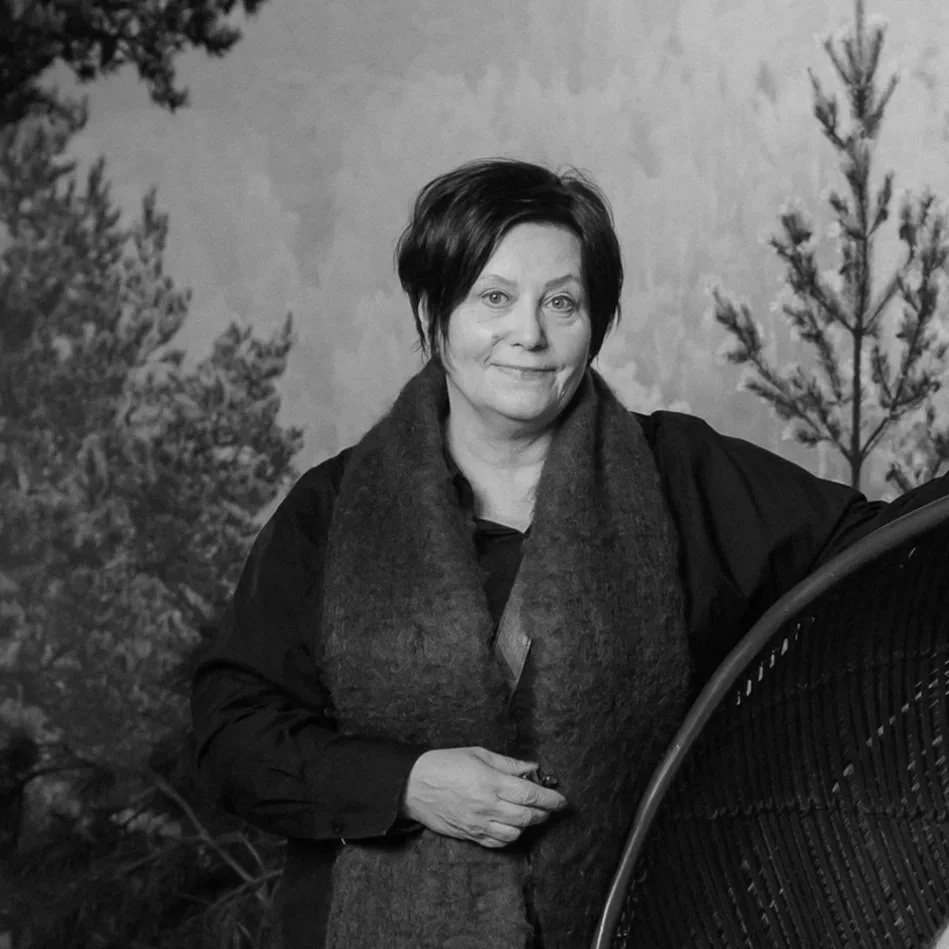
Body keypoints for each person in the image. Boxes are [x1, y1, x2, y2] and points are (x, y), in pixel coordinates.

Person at [190, 158, 949, 949]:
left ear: (596, 321)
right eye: (493, 298)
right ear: (431, 311)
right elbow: (232, 732)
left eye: (561, 302)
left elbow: (889, 555)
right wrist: (404, 784)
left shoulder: (679, 476)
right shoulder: (332, 508)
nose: (529, 334)